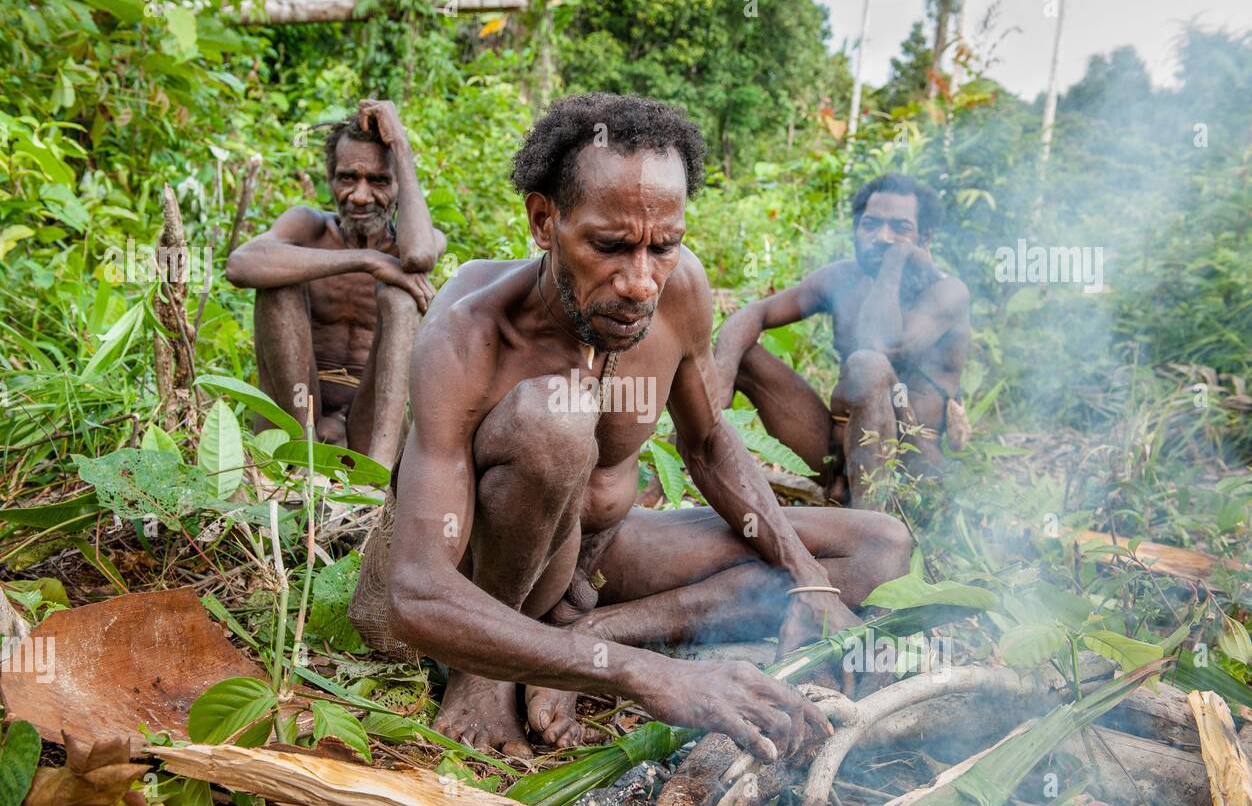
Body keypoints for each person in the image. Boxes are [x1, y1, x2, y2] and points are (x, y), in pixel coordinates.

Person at [349, 93, 911, 759]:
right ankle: (489, 667)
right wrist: (648, 677)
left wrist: (806, 578)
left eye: (663, 246)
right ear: (543, 220)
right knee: (556, 420)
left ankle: (599, 629)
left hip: (603, 551)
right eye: (610, 246)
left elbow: (705, 445)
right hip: (476, 573)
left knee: (881, 545)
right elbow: (415, 589)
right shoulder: (469, 330)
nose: (641, 281)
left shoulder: (677, 292)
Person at [714, 174, 971, 509]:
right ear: (855, 229)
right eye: (871, 224)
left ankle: (868, 525)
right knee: (738, 352)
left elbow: (881, 343)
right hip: (836, 457)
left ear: (924, 238)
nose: (882, 237)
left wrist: (893, 265)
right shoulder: (841, 278)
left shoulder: (947, 292)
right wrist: (720, 377)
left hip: (911, 469)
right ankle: (692, 480)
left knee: (868, 364)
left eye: (900, 228)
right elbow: (756, 313)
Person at [225, 99, 445, 465]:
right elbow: (241, 265)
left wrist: (401, 145)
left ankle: (378, 473)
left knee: (401, 296)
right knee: (278, 280)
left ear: (398, 185)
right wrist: (368, 259)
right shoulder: (308, 227)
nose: (360, 196)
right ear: (331, 180)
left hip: (367, 426)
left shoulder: (414, 240)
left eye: (378, 181)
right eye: (348, 178)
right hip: (296, 418)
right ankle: (302, 464)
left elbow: (420, 256)